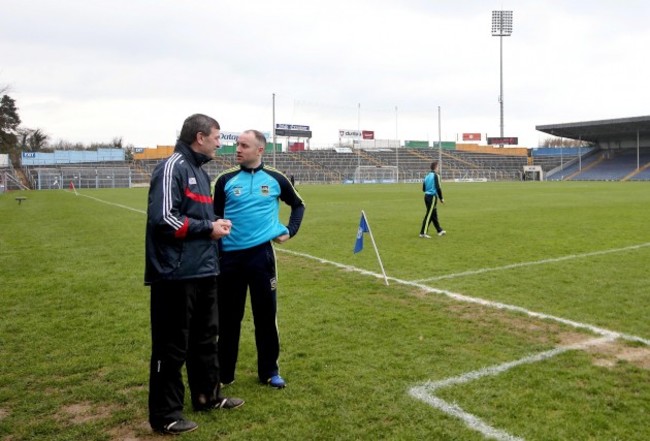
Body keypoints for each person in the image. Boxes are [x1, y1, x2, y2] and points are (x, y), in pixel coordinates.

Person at [145, 114, 244, 435]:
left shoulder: (199, 172)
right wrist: (208, 228)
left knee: (205, 339)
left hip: (204, 271)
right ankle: (165, 415)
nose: (220, 143)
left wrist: (216, 224)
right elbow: (163, 219)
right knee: (172, 346)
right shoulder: (173, 166)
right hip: (175, 274)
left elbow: (197, 218)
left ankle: (207, 396)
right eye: (217, 137)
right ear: (200, 137)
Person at [214, 129, 305, 389]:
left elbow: (298, 205)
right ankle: (224, 374)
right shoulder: (225, 180)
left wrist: (290, 230)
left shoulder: (276, 179)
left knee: (266, 316)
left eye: (244, 145)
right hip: (229, 258)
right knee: (228, 318)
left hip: (261, 257)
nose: (237, 150)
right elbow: (214, 216)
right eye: (237, 145)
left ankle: (269, 371)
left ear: (259, 150)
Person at [419, 160, 446, 238]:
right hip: (432, 197)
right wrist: (441, 198)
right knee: (429, 215)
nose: (438, 168)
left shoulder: (427, 175)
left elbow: (423, 189)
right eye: (438, 167)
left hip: (426, 196)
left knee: (433, 214)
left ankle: (439, 230)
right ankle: (423, 233)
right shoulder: (436, 176)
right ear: (436, 167)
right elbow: (438, 188)